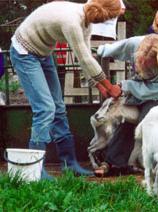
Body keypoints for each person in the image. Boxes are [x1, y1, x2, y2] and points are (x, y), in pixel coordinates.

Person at [9, 0, 122, 179]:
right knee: (46, 109)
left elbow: (83, 56)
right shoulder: (71, 21)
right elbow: (85, 59)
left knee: (59, 108)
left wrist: (99, 86)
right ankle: (34, 170)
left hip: (44, 53)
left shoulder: (86, 22)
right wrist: (109, 85)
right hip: (24, 52)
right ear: (104, 17)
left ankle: (69, 164)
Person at [94, 34, 158, 176]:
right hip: (137, 87)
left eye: (148, 64)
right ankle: (113, 162)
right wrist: (100, 51)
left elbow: (151, 91)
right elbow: (112, 49)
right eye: (141, 60)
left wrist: (124, 86)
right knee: (127, 121)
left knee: (148, 123)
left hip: (157, 94)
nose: (142, 65)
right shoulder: (135, 44)